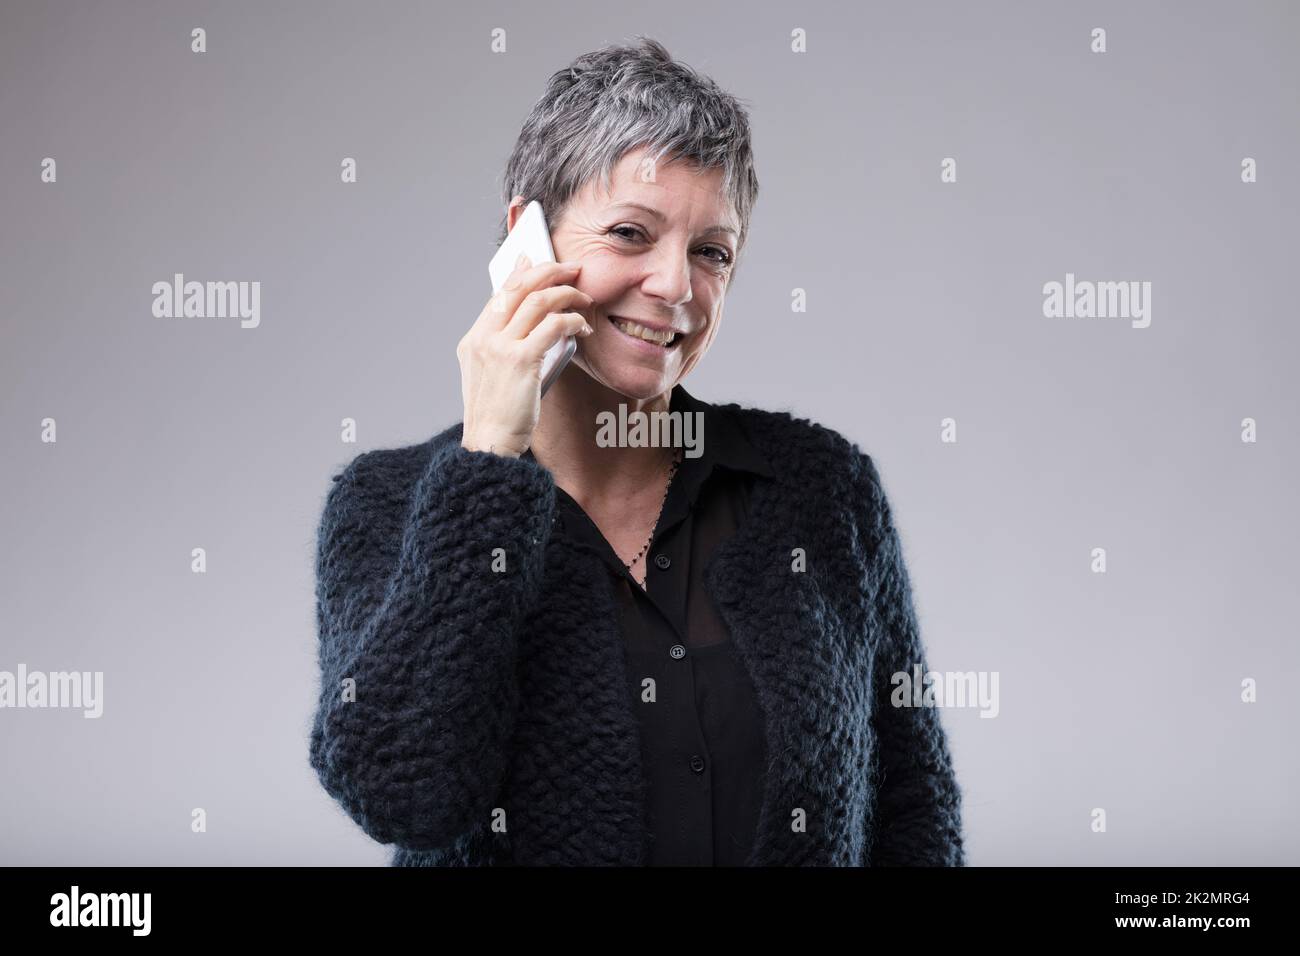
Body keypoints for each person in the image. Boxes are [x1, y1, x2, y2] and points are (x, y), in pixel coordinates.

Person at [309, 35, 965, 867]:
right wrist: (487, 463)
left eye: (711, 252)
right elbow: (399, 791)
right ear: (527, 240)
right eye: (629, 233)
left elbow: (913, 808)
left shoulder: (822, 489)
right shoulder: (390, 503)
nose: (675, 287)